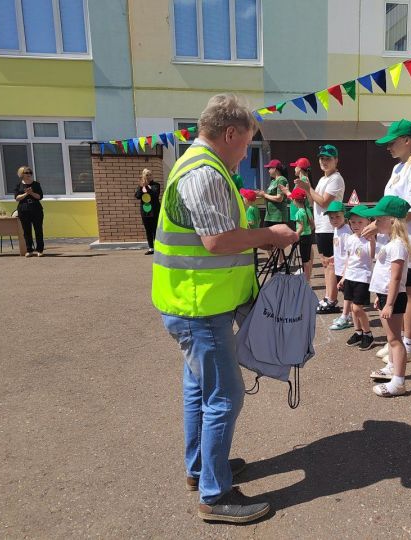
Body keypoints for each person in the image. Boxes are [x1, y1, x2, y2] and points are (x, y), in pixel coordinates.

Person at [152, 93, 298, 524]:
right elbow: (218, 241)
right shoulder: (205, 172)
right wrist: (270, 233)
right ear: (230, 133)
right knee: (224, 396)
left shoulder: (198, 165)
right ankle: (215, 497)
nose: (245, 152)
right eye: (246, 142)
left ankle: (202, 470)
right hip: (200, 307)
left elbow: (213, 234)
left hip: (196, 301)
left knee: (199, 391)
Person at [364, 120, 411, 364]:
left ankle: (408, 344)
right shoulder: (399, 169)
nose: (388, 147)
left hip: (406, 241)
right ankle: (395, 340)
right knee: (392, 290)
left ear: (407, 140)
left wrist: (380, 225)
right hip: (390, 239)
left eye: (392, 142)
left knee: (408, 292)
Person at [364, 196, 411, 397]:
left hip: (393, 298)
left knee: (395, 340)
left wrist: (390, 303)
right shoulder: (392, 242)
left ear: (392, 220)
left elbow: (395, 278)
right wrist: (381, 297)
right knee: (391, 337)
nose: (375, 223)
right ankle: (392, 367)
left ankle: (399, 382)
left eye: (378, 220)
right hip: (386, 296)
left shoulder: (398, 245)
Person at [295, 145, 345, 313]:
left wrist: (307, 188)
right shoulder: (324, 179)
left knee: (330, 263)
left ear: (336, 160)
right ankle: (328, 296)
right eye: (322, 158)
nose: (324, 161)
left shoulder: (336, 179)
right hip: (322, 226)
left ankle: (331, 299)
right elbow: (312, 201)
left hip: (331, 227)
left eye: (328, 158)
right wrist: (306, 187)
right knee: (326, 263)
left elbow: (324, 202)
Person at [339, 204, 377, 351]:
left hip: (362, 277)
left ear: (368, 222)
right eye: (353, 222)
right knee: (352, 309)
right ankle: (358, 332)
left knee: (357, 308)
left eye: (360, 222)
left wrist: (372, 239)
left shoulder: (369, 239)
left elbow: (373, 255)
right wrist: (344, 276)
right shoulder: (350, 238)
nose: (356, 225)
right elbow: (349, 258)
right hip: (350, 277)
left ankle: (368, 334)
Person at [324, 201, 353, 327]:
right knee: (345, 294)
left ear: (344, 216)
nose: (334, 220)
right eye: (331, 218)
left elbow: (350, 252)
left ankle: (345, 316)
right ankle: (351, 316)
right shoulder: (337, 229)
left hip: (346, 270)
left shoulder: (346, 231)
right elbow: (339, 249)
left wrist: (346, 272)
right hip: (339, 268)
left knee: (348, 295)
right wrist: (334, 256)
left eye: (337, 217)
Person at [13, 165, 44, 257]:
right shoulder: (19, 185)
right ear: (21, 174)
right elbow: (17, 198)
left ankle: (40, 250)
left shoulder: (36, 184)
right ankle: (29, 250)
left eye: (30, 172)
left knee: (38, 229)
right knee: (26, 231)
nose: (29, 174)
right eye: (27, 172)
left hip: (36, 208)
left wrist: (32, 193)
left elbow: (40, 196)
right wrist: (26, 193)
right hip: (24, 209)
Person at [288, 187, 314, 282]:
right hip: (308, 236)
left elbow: (301, 227)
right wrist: (308, 231)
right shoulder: (307, 210)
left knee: (304, 261)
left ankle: (306, 280)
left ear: (295, 200)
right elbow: (312, 224)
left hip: (303, 237)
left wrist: (295, 235)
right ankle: (307, 279)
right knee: (307, 259)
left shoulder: (299, 213)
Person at [135, 168, 161, 255]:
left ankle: (157, 247)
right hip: (145, 211)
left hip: (155, 210)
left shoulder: (156, 185)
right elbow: (137, 196)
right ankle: (151, 248)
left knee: (155, 229)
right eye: (147, 175)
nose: (149, 176)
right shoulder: (140, 186)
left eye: (150, 174)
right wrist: (142, 187)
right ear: (143, 176)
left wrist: (147, 187)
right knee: (148, 230)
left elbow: (155, 195)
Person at [258, 159, 289, 228]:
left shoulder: (281, 179)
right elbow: (269, 196)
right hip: (269, 216)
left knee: (277, 238)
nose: (268, 171)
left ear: (275, 169)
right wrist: (262, 194)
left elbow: (279, 198)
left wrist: (265, 195)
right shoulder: (273, 181)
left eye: (269, 168)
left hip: (277, 217)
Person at [240, 188, 260, 264]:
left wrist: (243, 223)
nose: (243, 199)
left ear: (247, 200)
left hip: (251, 235)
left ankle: (255, 269)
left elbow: (251, 222)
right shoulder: (255, 207)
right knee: (255, 253)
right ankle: (256, 268)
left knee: (252, 254)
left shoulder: (250, 209)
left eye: (243, 198)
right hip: (256, 233)